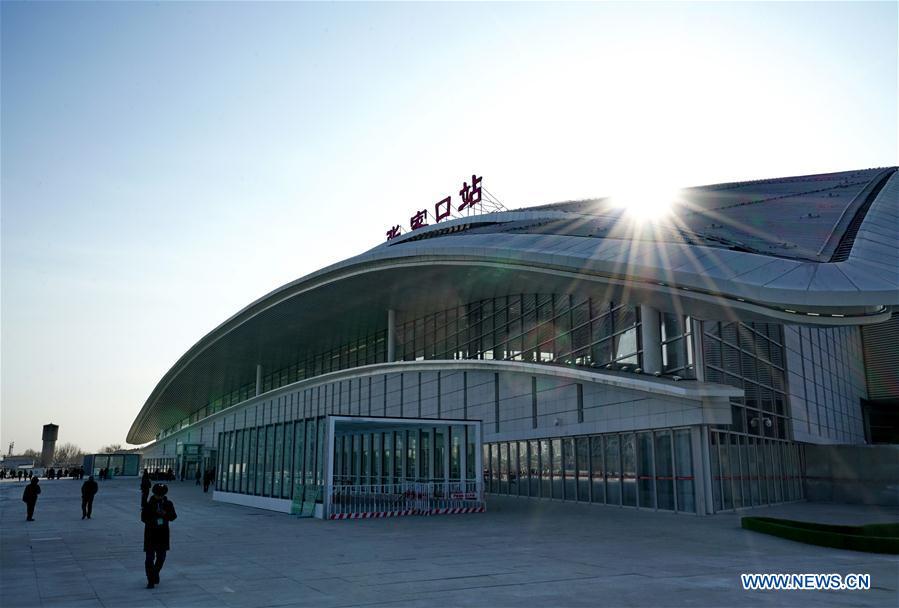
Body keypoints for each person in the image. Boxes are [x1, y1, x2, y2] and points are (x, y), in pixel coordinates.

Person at [141, 484, 177, 589]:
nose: (159, 497)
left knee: (161, 557)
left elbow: (173, 516)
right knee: (149, 558)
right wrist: (154, 518)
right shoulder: (148, 504)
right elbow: (143, 518)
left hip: (163, 534)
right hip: (151, 533)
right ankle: (150, 579)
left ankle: (155, 572)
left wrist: (164, 513)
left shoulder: (168, 504)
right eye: (158, 495)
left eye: (161, 495)